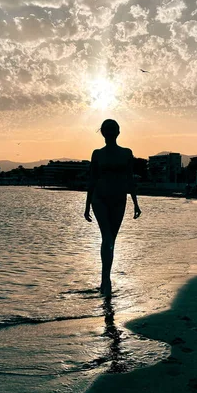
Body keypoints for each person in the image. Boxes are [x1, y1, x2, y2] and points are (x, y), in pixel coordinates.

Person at [84, 119, 141, 297]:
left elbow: (130, 179)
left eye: (112, 129)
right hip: (99, 198)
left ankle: (104, 280)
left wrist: (135, 202)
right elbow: (92, 179)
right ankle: (106, 280)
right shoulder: (97, 154)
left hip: (119, 199)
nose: (109, 132)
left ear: (117, 132)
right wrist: (87, 206)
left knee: (111, 240)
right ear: (103, 133)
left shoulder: (126, 153)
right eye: (107, 130)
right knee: (107, 237)